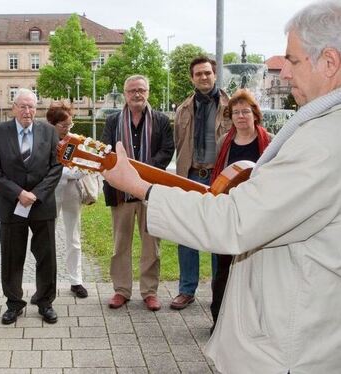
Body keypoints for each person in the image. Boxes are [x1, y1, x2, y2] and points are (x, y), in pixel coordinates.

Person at [101, 2, 341, 372]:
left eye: (292, 60)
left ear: (329, 62)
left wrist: (143, 186)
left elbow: (235, 222)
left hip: (291, 343)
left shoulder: (324, 140)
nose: (285, 73)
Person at [0, 88, 62, 325]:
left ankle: (45, 302)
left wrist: (36, 195)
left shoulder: (49, 132)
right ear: (14, 108)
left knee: (47, 256)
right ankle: (13, 304)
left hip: (42, 205)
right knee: (11, 256)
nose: (27, 111)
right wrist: (18, 193)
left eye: (31, 106)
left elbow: (56, 167)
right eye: (23, 106)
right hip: (12, 205)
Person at [101, 75, 174, 311]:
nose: (137, 94)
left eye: (141, 90)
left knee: (151, 244)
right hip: (121, 192)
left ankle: (149, 291)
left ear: (148, 92)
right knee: (120, 244)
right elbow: (106, 151)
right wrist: (125, 174)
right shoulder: (113, 121)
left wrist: (143, 172)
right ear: (125, 93)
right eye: (132, 90)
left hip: (150, 191)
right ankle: (121, 290)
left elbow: (167, 149)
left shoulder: (161, 120)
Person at [208, 89, 272, 332]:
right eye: (236, 112)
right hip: (229, 210)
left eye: (246, 111)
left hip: (258, 212)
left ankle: (253, 323)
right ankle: (219, 322)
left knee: (257, 269)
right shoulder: (223, 142)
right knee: (223, 269)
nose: (241, 116)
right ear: (230, 116)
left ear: (255, 114)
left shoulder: (271, 141)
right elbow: (219, 176)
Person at [171, 56, 232, 310]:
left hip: (221, 177)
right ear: (192, 78)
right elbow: (178, 144)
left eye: (207, 73)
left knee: (219, 235)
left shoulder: (231, 105)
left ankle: (221, 290)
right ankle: (187, 290)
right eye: (198, 74)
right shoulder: (184, 109)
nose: (203, 77)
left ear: (215, 75)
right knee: (187, 234)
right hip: (192, 175)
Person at [46, 101, 88, 298]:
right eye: (63, 126)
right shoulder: (44, 140)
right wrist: (66, 172)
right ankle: (48, 281)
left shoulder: (75, 141)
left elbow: (81, 168)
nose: (67, 129)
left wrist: (67, 172)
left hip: (71, 192)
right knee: (47, 238)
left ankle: (76, 280)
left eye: (70, 125)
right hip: (50, 193)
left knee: (74, 237)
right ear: (52, 124)